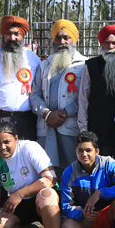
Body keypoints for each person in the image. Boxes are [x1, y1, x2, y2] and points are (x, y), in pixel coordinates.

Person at [31, 19, 87, 176]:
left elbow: (86, 97)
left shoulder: (84, 64)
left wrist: (65, 112)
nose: (62, 42)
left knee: (73, 172)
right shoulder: (44, 65)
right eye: (58, 38)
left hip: (70, 127)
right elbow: (35, 94)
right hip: (47, 127)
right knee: (48, 173)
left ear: (74, 39)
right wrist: (46, 113)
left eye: (66, 37)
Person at [0, 15, 42, 143]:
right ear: (3, 35)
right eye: (8, 33)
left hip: (27, 121)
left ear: (22, 36)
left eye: (17, 34)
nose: (12, 38)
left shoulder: (33, 58)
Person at [77, 24, 115, 165]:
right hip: (97, 131)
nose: (110, 47)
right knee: (99, 170)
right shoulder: (91, 66)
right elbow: (83, 99)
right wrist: (83, 130)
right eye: (106, 43)